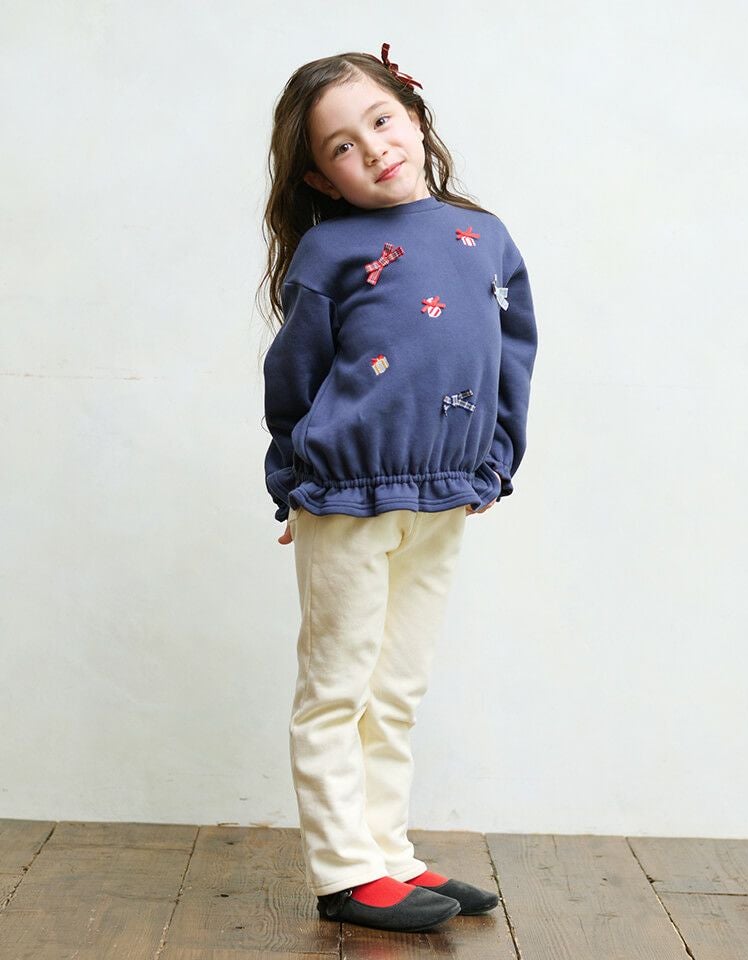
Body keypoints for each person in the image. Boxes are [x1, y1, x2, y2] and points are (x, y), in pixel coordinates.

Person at [258, 41, 538, 933]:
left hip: (445, 493)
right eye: (343, 146)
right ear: (321, 177)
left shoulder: (483, 236)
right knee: (338, 685)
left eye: (381, 121)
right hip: (346, 498)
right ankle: (345, 871)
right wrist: (292, 478)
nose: (373, 148)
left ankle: (387, 852)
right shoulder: (329, 251)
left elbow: (512, 354)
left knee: (396, 688)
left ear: (414, 118)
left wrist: (496, 460)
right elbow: (293, 375)